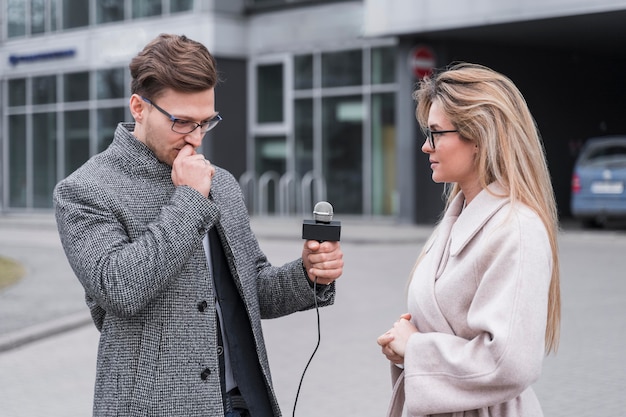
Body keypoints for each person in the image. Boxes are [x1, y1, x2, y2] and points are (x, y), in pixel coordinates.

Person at [53, 33, 343, 417]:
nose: (196, 137)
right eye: (182, 122)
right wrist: (189, 200)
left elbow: (252, 288)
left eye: (206, 122)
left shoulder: (219, 182)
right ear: (138, 107)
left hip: (245, 401)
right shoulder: (85, 190)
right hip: (153, 407)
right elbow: (120, 289)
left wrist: (308, 274)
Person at [377, 62, 560, 417]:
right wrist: (404, 344)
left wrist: (415, 347)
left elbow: (511, 363)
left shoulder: (517, 230)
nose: (425, 147)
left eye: (435, 133)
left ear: (477, 137)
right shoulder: (458, 217)